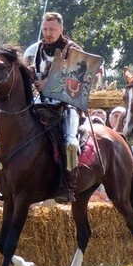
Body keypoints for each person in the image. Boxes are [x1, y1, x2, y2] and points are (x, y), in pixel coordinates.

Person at [25, 11, 84, 203]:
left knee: (70, 142)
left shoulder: (73, 50)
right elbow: (30, 73)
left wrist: (49, 85)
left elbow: (78, 83)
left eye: (52, 29)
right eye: (45, 29)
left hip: (66, 106)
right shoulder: (35, 50)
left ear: (61, 29)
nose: (48, 33)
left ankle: (68, 187)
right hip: (40, 104)